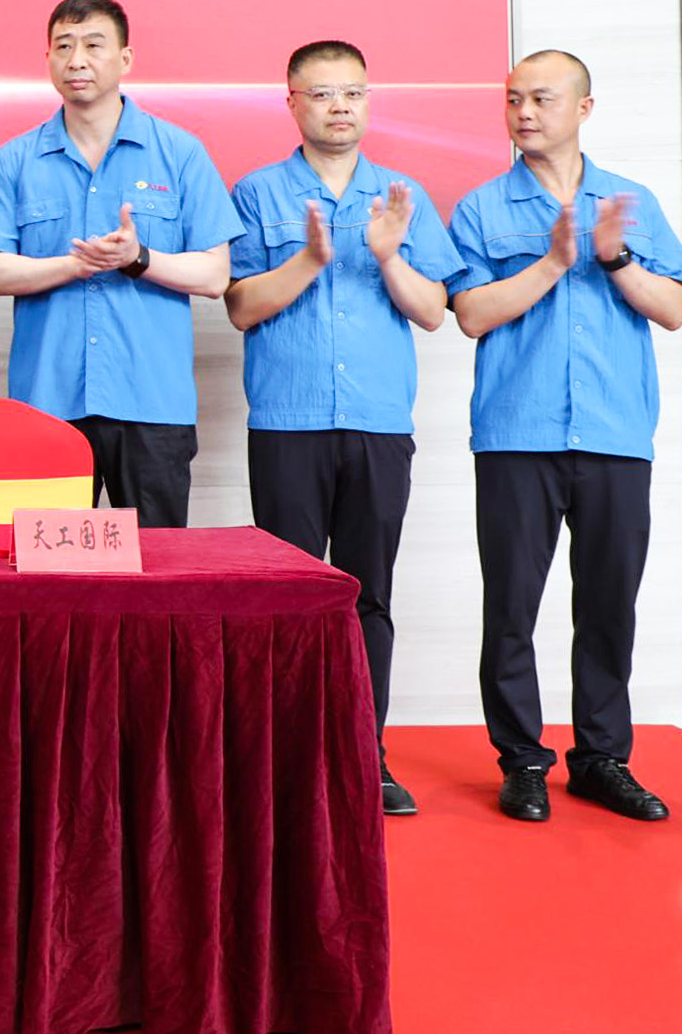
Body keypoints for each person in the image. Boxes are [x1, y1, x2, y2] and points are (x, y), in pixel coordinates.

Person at [449, 50, 682, 824]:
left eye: (541, 98)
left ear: (584, 108)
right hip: (515, 435)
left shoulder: (631, 201)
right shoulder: (483, 207)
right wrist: (555, 262)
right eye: (512, 99)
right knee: (511, 607)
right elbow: (471, 314)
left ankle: (600, 758)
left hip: (616, 433)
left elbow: (673, 308)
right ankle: (522, 760)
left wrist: (613, 258)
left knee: (609, 604)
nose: (524, 112)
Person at [223, 40, 464, 816]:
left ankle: (366, 752)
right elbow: (239, 306)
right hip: (287, 423)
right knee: (288, 597)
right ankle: (286, 759)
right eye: (323, 93)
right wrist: (309, 259)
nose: (339, 106)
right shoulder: (258, 191)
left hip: (377, 423)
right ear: (291, 101)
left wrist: (388, 257)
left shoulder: (403, 195)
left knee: (369, 593)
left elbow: (433, 311)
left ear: (367, 101)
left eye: (352, 93)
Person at [0, 0, 239, 527]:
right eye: (63, 47)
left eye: (93, 45)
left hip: (152, 403)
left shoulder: (179, 152)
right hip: (48, 405)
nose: (77, 60)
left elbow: (214, 275)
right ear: (48, 59)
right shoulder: (17, 159)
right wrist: (74, 266)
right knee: (51, 568)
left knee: (156, 567)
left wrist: (138, 258)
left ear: (125, 58)